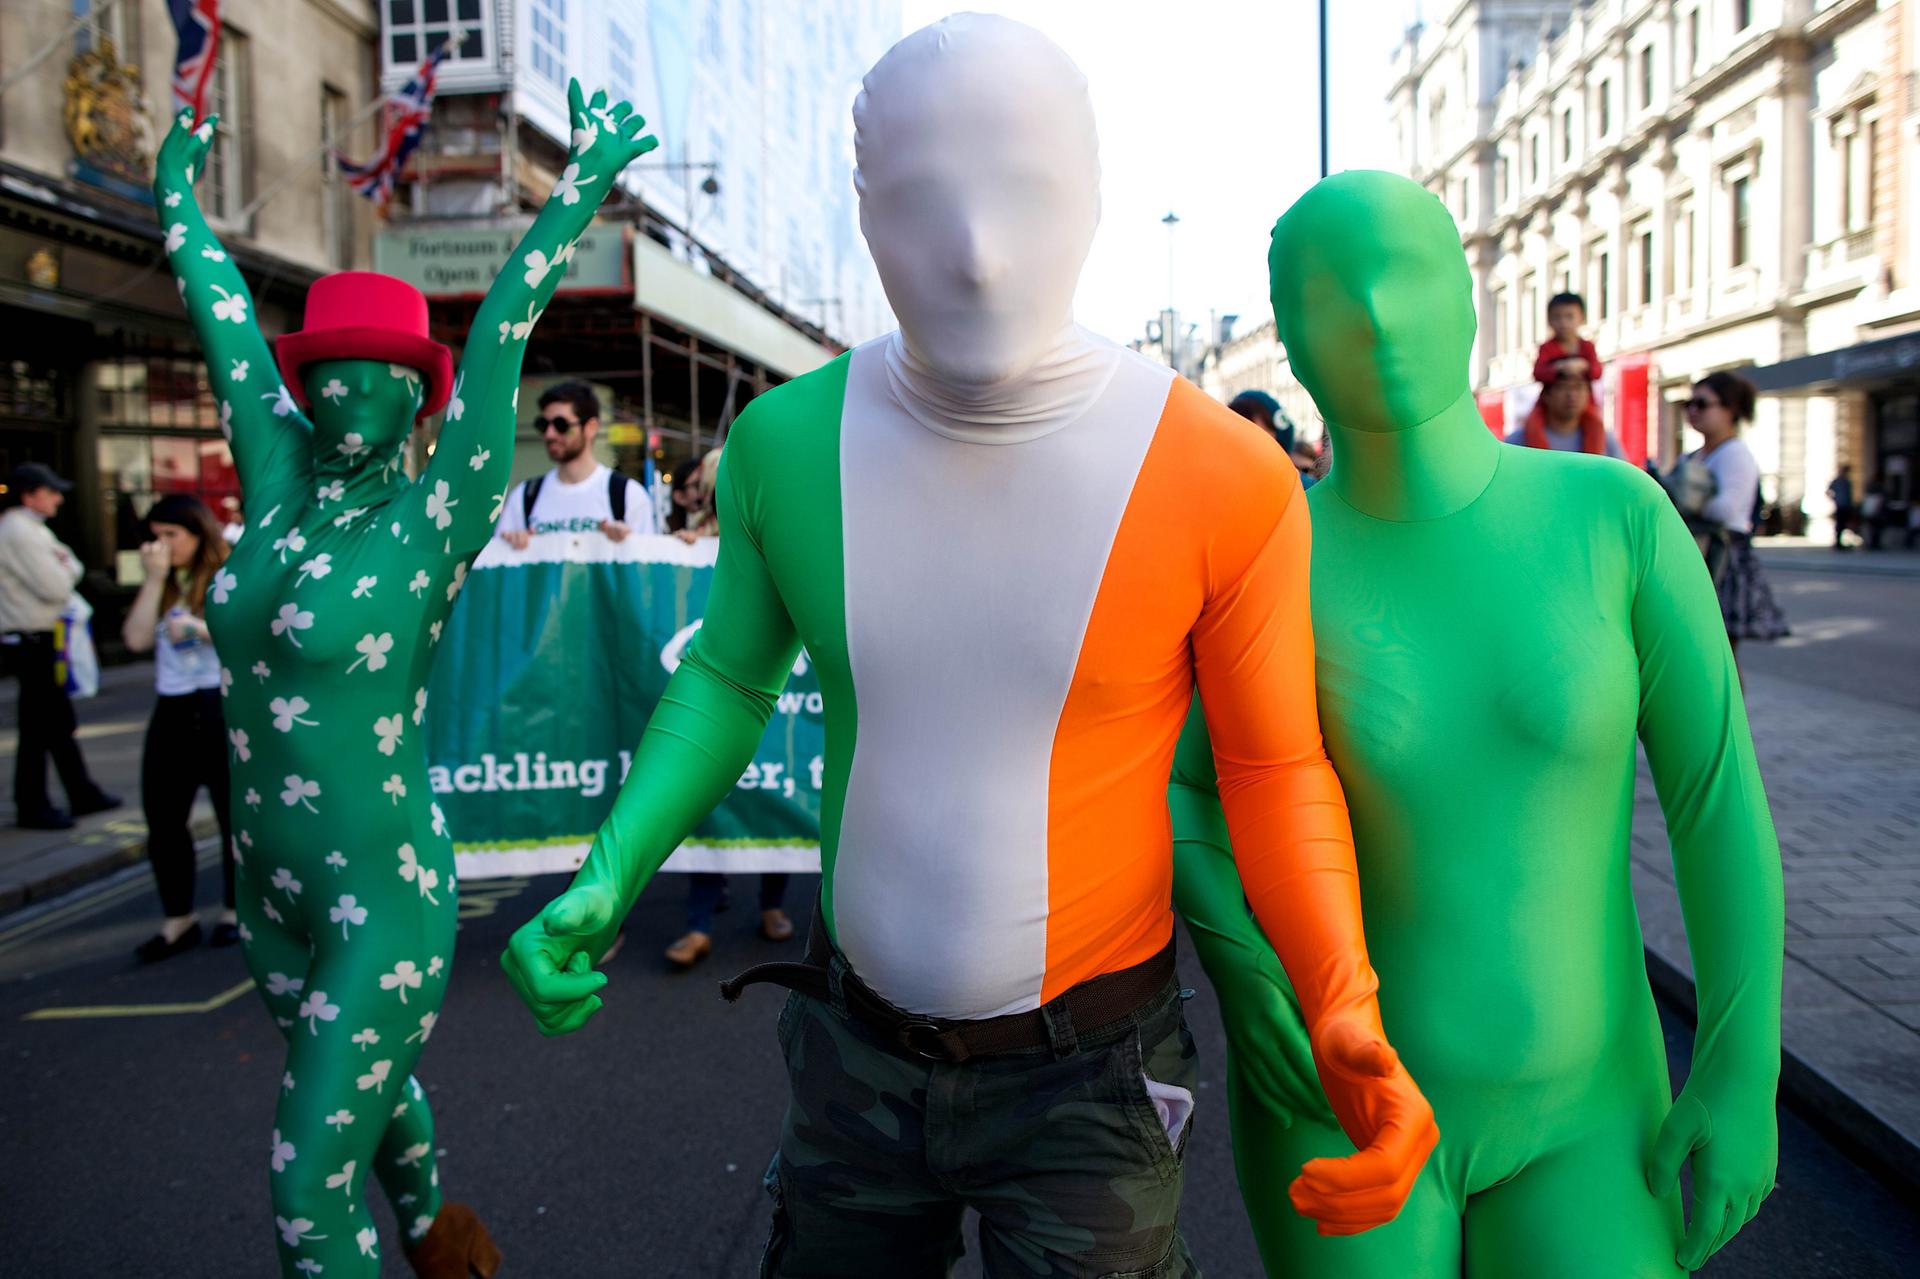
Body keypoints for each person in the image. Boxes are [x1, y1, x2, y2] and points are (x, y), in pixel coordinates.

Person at [505, 17, 1435, 1277]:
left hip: (1090, 1072)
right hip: (855, 1046)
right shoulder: (784, 444)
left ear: (1096, 199)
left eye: (1028, 192)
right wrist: (610, 870)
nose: (981, 254)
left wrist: (1344, 997)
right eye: (922, 200)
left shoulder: (1222, 474)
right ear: (863, 207)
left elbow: (1276, 768)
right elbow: (727, 675)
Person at [1172, 172, 1783, 1277]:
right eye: (1327, 293)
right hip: (1342, 1091)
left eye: (1406, 274)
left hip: (1593, 1108)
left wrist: (1743, 1064)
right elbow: (1185, 792)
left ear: (1468, 293)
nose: (1373, 312)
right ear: (1293, 345)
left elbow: (1716, 802)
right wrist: (1247, 973)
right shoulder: (1267, 564)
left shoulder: (1615, 519)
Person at [155, 85, 654, 1279]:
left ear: (411, 391)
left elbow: (500, 340)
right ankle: (438, 1230)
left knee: (304, 1190)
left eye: (369, 372)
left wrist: (575, 192)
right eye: (321, 369)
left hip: (384, 895)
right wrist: (173, 195)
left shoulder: (440, 515)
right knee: (366, 1100)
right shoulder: (276, 485)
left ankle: (421, 1235)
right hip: (267, 886)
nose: (337, 391)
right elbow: (224, 322)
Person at [121, 494, 238, 961]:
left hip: (219, 704)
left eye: (171, 536)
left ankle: (234, 911)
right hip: (171, 708)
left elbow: (247, 637)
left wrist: (198, 626)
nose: (162, 545)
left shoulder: (227, 573)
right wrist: (153, 582)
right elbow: (134, 639)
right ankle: (178, 919)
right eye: (155, 536)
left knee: (233, 815)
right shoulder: (163, 581)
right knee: (165, 818)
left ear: (198, 533)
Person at [0, 461, 118, 830]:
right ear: (29, 495)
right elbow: (57, 585)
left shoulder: (31, 529)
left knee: (54, 722)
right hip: (32, 639)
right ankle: (34, 804)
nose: (57, 499)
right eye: (50, 492)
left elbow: (75, 568)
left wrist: (67, 567)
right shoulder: (20, 531)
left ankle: (79, 792)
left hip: (41, 637)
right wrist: (66, 567)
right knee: (40, 726)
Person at [1679, 372, 1789, 654]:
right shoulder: (1695, 455)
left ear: (1730, 409)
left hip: (1725, 556)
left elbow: (1727, 509)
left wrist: (1687, 497)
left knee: (1722, 652)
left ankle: (1731, 701)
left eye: (1703, 404)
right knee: (1699, 648)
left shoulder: (1735, 453)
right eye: (1689, 403)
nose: (1693, 410)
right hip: (1699, 553)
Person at [494, 381, 652, 549]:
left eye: (561, 425)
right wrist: (511, 544)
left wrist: (628, 542)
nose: (549, 434)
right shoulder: (524, 496)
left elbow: (647, 567)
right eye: (543, 425)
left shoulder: (628, 495)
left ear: (591, 427)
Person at [1506, 368, 1626, 458]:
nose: (1571, 395)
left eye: (1578, 387)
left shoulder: (1606, 441)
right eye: (1563, 387)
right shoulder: (1517, 443)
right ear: (1546, 395)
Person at [1827, 464, 1857, 550]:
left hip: (1846, 505)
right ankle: (1838, 543)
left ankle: (1841, 542)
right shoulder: (1838, 481)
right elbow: (1828, 491)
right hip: (1840, 505)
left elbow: (1850, 495)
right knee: (1840, 524)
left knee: (1844, 524)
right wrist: (1835, 499)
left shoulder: (1847, 481)